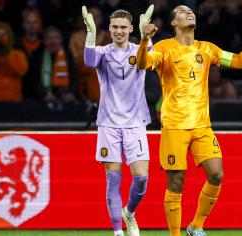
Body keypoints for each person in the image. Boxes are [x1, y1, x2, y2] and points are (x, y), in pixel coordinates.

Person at [137, 5, 242, 236]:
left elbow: (239, 62)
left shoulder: (207, 49)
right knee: (176, 183)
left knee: (217, 174)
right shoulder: (164, 47)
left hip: (202, 125)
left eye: (191, 11)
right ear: (174, 23)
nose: (189, 13)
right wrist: (144, 40)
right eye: (182, 11)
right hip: (175, 126)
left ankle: (195, 226)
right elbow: (143, 64)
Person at [82, 5, 153, 236]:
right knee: (113, 181)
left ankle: (129, 213)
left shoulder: (139, 50)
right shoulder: (102, 53)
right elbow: (89, 62)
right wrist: (91, 36)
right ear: (109, 29)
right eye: (115, 27)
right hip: (109, 124)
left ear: (131, 28)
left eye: (123, 27)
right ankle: (117, 232)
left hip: (135, 123)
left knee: (141, 179)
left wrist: (145, 38)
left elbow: (149, 60)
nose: (119, 31)